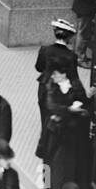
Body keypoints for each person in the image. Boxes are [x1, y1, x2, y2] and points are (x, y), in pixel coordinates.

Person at [42, 66, 92, 189]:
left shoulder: (75, 86)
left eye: (56, 74)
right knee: (48, 163)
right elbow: (51, 106)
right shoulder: (51, 87)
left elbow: (85, 104)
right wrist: (69, 110)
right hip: (54, 132)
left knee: (70, 166)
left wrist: (81, 105)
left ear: (64, 73)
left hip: (72, 134)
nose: (53, 77)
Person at [35, 18, 82, 158]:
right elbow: (74, 77)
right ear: (69, 37)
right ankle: (50, 147)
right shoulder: (71, 56)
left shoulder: (44, 50)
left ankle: (42, 146)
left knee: (44, 114)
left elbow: (38, 67)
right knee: (56, 116)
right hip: (62, 90)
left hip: (44, 86)